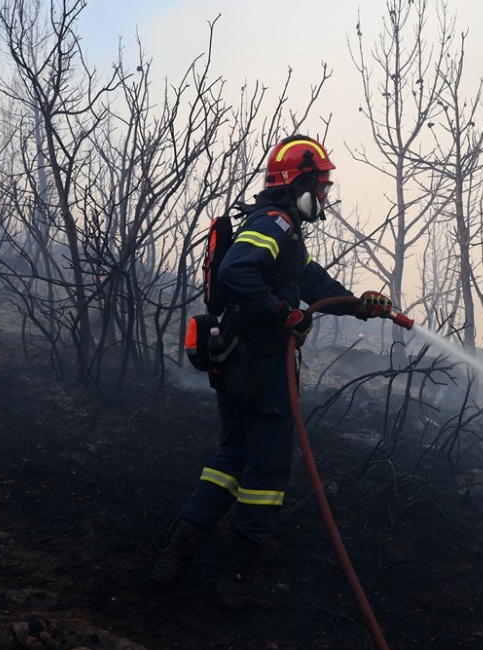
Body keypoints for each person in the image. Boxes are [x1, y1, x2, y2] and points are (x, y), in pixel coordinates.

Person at [150, 135, 394, 609]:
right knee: (266, 470)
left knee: (232, 458)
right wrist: (287, 316)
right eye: (321, 185)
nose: (324, 196)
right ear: (299, 181)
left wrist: (361, 306)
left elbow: (311, 281)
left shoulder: (280, 230)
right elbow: (237, 273)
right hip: (262, 366)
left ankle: (176, 554)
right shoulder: (276, 222)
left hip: (238, 359)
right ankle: (239, 579)